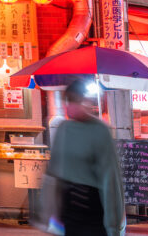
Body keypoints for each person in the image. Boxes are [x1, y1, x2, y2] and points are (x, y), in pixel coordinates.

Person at [45, 78, 124, 236]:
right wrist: (49, 212)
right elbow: (53, 173)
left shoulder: (100, 130)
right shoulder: (63, 129)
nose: (70, 106)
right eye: (68, 101)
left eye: (75, 100)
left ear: (86, 100)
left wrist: (112, 225)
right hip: (67, 209)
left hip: (91, 206)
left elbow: (110, 179)